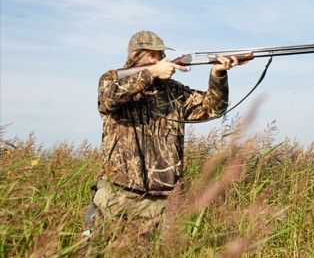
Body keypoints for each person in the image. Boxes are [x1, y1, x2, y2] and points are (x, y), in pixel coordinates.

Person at [84, 30, 242, 235]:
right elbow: (107, 99)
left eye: (161, 54)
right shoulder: (112, 79)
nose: (162, 58)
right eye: (156, 54)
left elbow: (213, 108)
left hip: (157, 202)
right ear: (138, 55)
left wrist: (218, 74)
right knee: (92, 250)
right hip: (114, 192)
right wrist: (150, 74)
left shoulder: (173, 91)